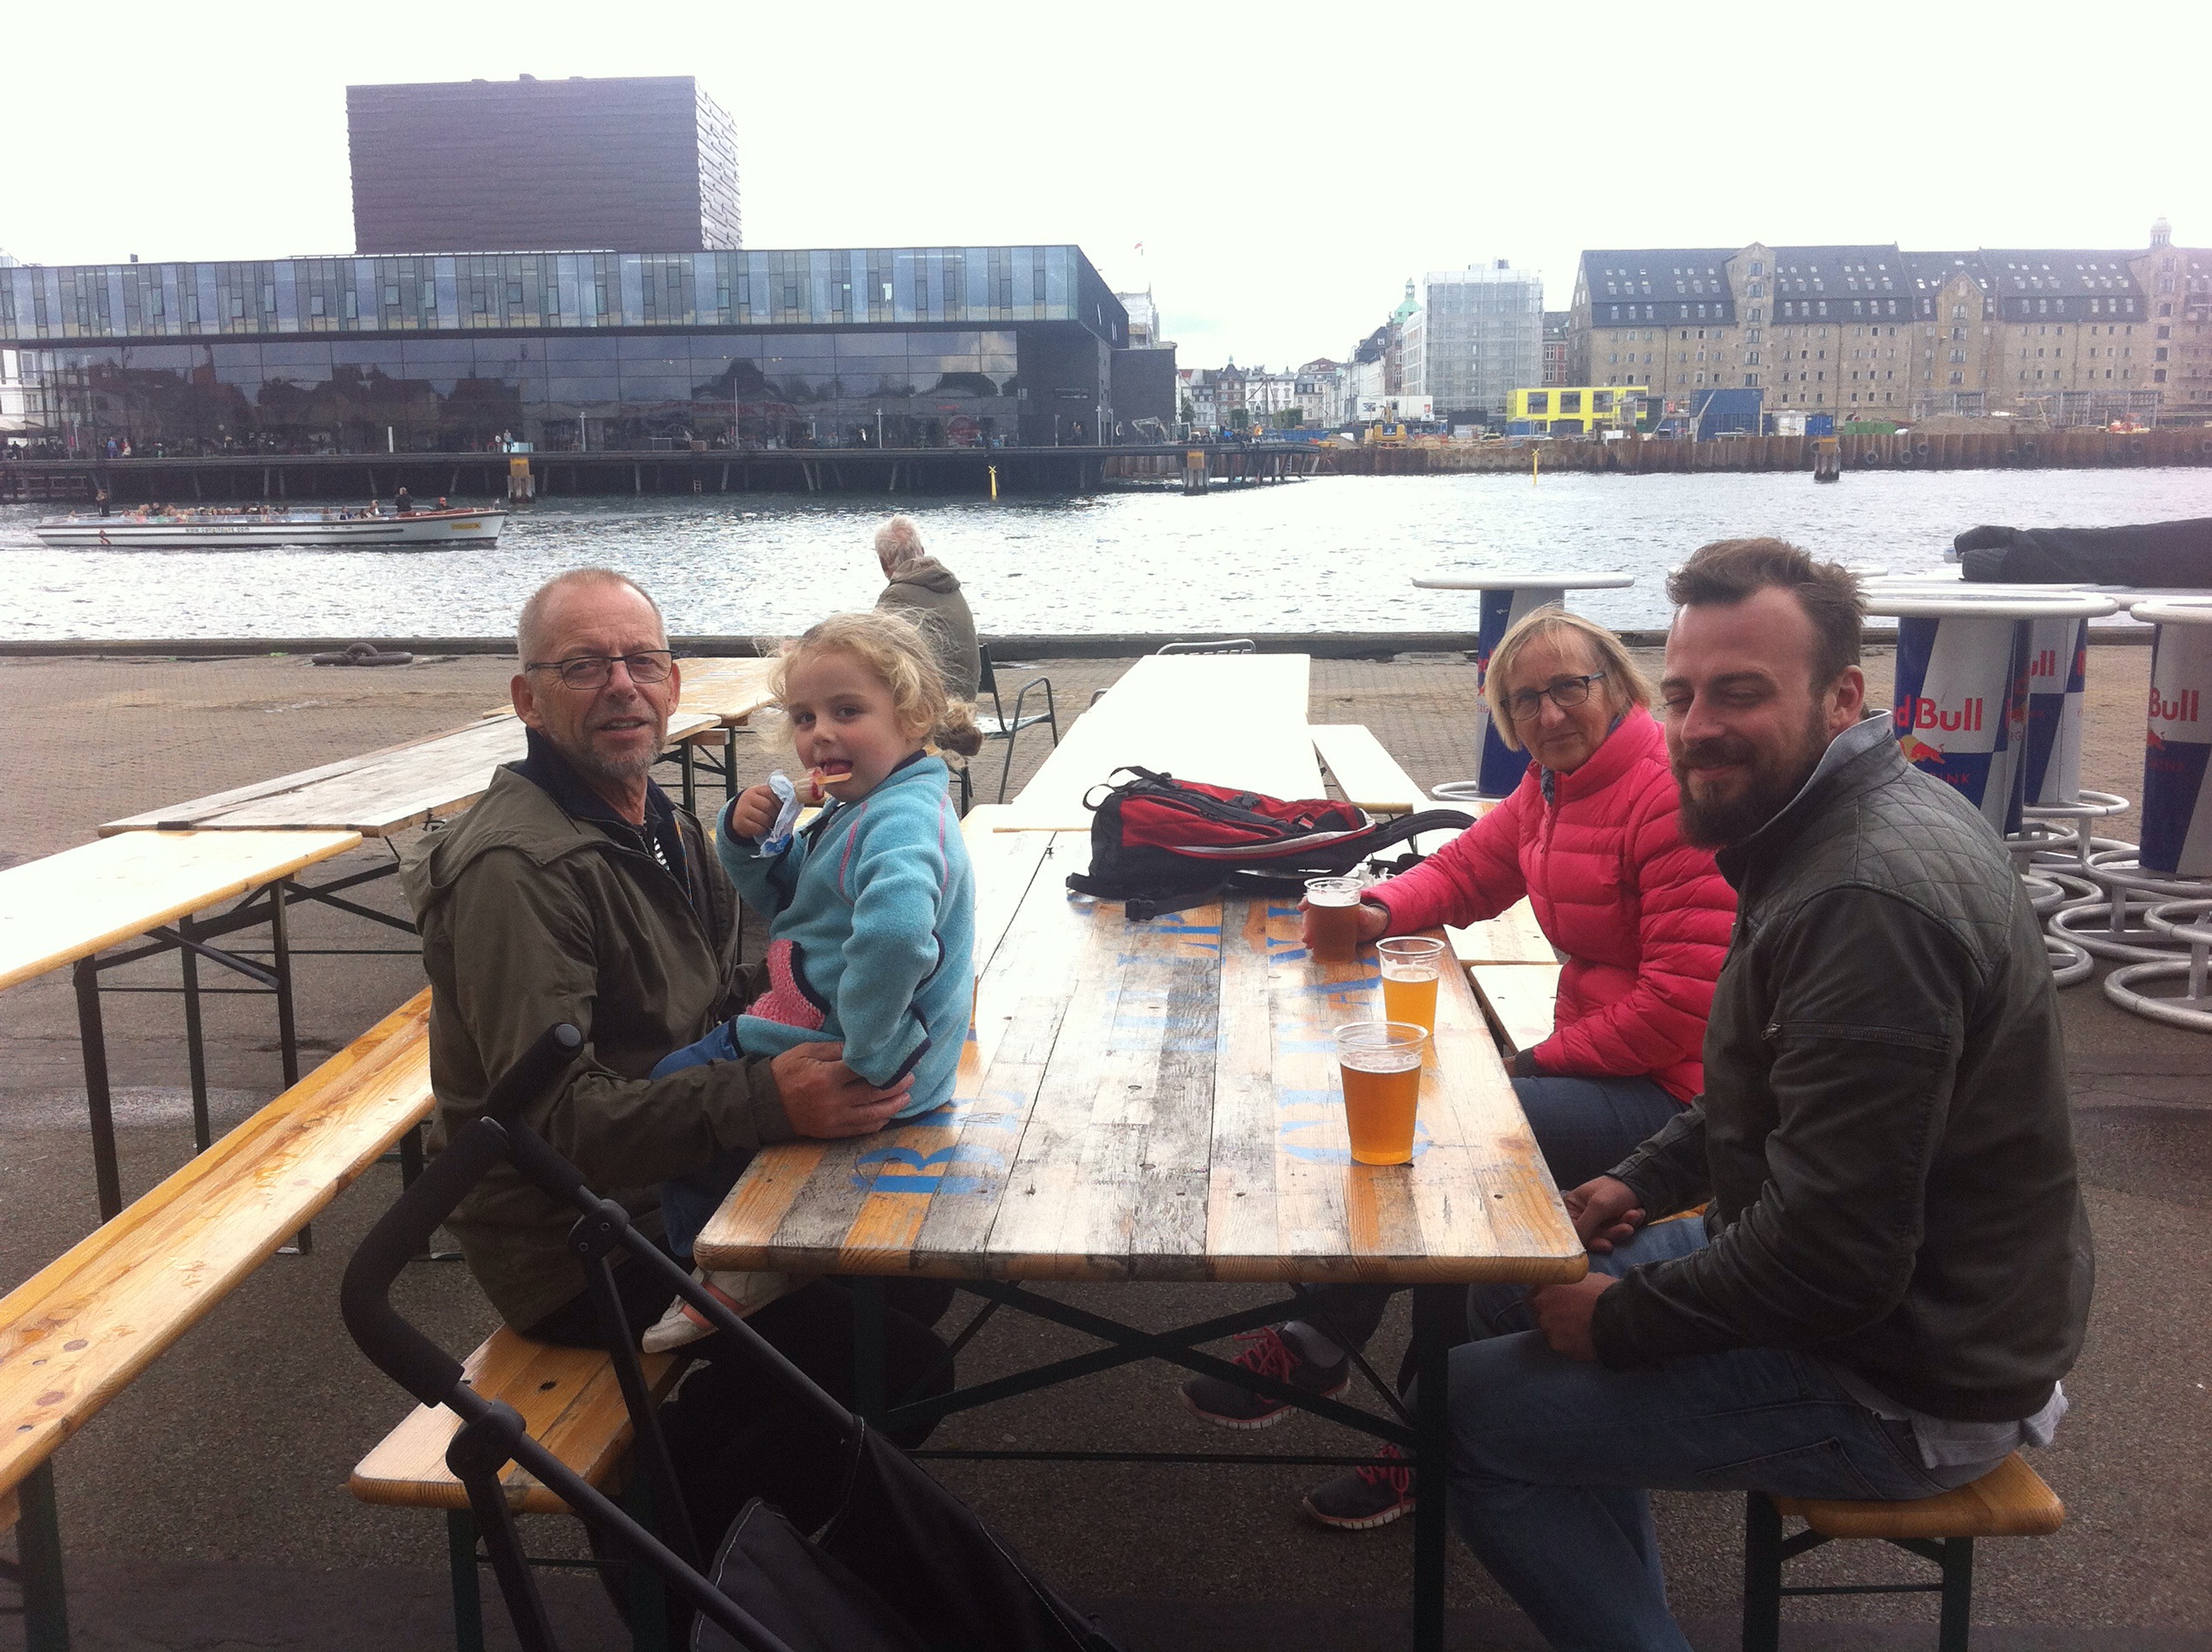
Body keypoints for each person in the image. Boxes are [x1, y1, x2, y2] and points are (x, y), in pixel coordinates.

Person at [1444, 538, 2093, 1651]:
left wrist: (1624, 1322)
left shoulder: (1861, 898)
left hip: (1910, 1376)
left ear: (1843, 697)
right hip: (1896, 1301)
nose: (1697, 727)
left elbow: (1834, 1259)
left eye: (1741, 693)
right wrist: (1640, 1179)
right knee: (1513, 1290)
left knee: (1465, 1415)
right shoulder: (1818, 822)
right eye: (1683, 694)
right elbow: (1766, 1088)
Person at [401, 567, 957, 1555]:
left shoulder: (651, 819)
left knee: (909, 1274)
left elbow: (705, 995)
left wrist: (849, 997)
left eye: (642, 661)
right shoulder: (518, 870)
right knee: (900, 1363)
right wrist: (769, 1096)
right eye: (584, 666)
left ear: (673, 684)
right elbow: (556, 1126)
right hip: (577, 1240)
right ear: (527, 698)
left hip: (672, 1176)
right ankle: (670, 1555)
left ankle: (745, 1497)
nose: (622, 684)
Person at [1179, 608, 1735, 1531]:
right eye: (1525, 700)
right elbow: (1472, 868)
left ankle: (1410, 1418)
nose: (1549, 714)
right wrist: (1377, 911)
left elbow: (1684, 1005)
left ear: (1618, 686)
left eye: (1569, 688)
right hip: (1602, 1059)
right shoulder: (1553, 785)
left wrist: (1527, 1063)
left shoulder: (1665, 796)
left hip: (1675, 1100)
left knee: (1452, 1145)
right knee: (1427, 1131)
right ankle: (1344, 1354)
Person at [641, 609, 983, 1349]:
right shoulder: (873, 806)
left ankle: (720, 1265)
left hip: (847, 1054)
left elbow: (896, 937)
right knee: (699, 1098)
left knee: (674, 1089)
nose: (821, 734)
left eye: (847, 712)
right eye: (804, 717)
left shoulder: (898, 821)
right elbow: (799, 904)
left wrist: (865, 1052)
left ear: (914, 716)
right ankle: (752, 1254)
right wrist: (747, 840)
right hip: (876, 1047)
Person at [871, 515, 981, 701]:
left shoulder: (897, 595)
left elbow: (872, 649)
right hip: (966, 696)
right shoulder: (949, 586)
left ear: (883, 562)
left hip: (936, 701)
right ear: (921, 551)